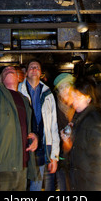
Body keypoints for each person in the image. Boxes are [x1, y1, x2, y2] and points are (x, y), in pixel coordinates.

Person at [18, 59, 60, 191]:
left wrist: (54, 156)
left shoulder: (48, 94)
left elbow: (53, 126)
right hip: (21, 146)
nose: (34, 69)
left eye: (37, 67)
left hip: (41, 147)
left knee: (36, 185)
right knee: (20, 184)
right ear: (26, 73)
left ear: (41, 73)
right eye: (31, 67)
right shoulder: (18, 91)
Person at [53, 73, 76, 191]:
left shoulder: (80, 106)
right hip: (63, 158)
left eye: (67, 86)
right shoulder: (54, 108)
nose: (65, 90)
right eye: (61, 88)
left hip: (79, 158)